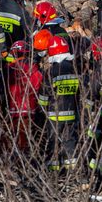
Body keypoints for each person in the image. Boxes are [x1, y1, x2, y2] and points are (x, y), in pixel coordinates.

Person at [38, 34, 81, 170]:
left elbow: (44, 97)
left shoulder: (51, 72)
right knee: (70, 144)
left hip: (54, 116)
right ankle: (76, 175)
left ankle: (54, 175)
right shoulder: (75, 70)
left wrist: (41, 109)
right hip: (72, 114)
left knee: (53, 145)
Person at [4, 40, 41, 154]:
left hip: (11, 113)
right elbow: (38, 87)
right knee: (25, 146)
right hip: (29, 112)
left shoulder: (7, 70)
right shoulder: (34, 70)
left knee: (9, 145)